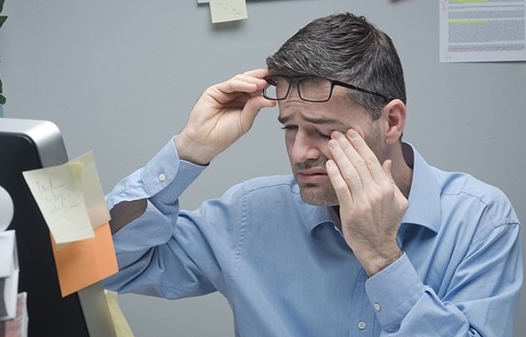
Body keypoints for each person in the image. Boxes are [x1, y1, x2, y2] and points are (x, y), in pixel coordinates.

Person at [103, 12, 522, 337]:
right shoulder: (250, 215)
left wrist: (382, 258)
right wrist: (187, 152)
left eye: (324, 131)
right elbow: (104, 266)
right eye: (289, 128)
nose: (301, 152)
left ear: (391, 121)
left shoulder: (480, 220)